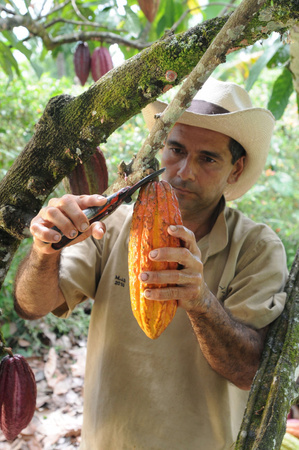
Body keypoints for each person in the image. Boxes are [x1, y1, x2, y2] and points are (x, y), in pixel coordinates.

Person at [14, 77, 288, 450]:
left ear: (236, 169)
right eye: (175, 149)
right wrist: (45, 251)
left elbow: (249, 371)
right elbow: (32, 306)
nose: (184, 171)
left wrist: (200, 301)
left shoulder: (257, 248)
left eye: (208, 158)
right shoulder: (110, 225)